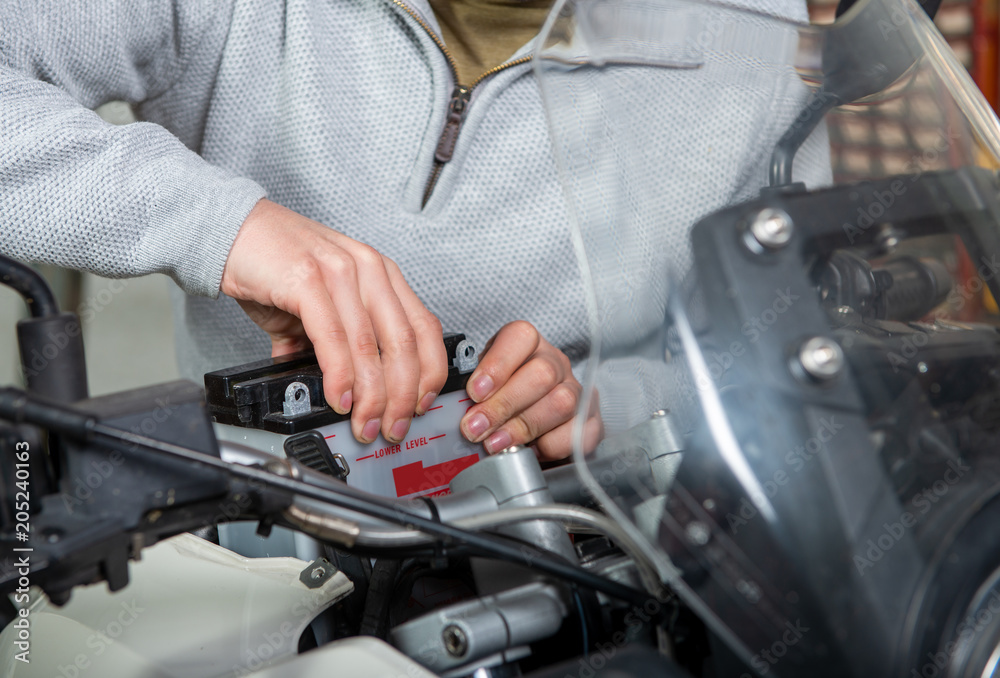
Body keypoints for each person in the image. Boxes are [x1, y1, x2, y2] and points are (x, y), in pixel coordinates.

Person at [0, 0, 820, 459]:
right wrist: (224, 223)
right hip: (260, 557)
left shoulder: (767, 42)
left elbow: (789, 370)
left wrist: (609, 410)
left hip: (578, 549)